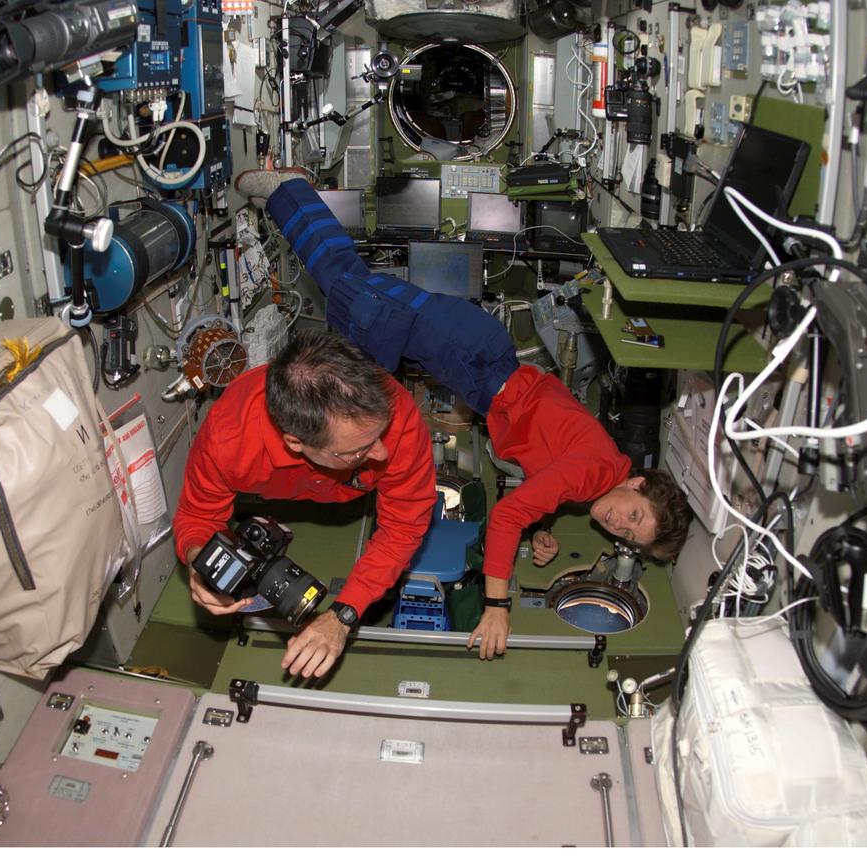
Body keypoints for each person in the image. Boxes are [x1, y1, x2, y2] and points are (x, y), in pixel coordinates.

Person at [238, 171, 694, 660]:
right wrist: (496, 605)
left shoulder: (594, 480)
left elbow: (545, 484)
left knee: (350, 304)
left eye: (627, 534)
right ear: (637, 484)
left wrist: (540, 529)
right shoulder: (595, 471)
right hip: (471, 354)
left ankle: (290, 202)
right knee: (344, 283)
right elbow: (508, 515)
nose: (617, 524)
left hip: (474, 366)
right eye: (633, 516)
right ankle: (289, 190)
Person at [173, 330, 437, 679]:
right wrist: (201, 559)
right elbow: (197, 516)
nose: (381, 453)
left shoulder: (394, 412)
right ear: (295, 443)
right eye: (359, 451)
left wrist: (343, 614)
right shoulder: (229, 438)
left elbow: (402, 526)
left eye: (379, 435)